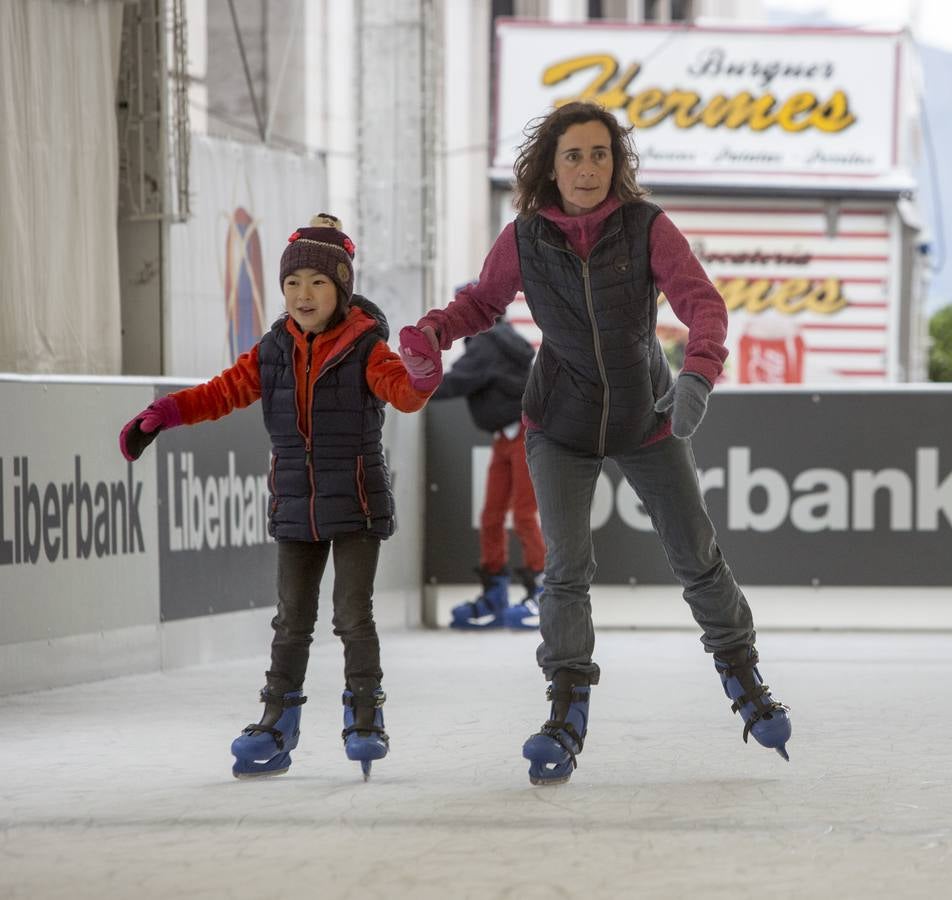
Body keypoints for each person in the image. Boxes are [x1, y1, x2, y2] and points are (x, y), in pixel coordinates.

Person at [400, 101, 792, 785]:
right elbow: (482, 304)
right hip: (560, 421)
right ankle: (565, 706)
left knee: (695, 553)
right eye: (574, 155)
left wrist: (698, 373)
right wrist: (434, 330)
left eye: (600, 154)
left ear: (618, 163)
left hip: (649, 415)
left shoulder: (646, 226)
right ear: (550, 166)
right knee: (565, 570)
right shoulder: (525, 236)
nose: (587, 168)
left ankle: (743, 675)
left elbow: (702, 302)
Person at [118, 214, 438, 779]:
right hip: (295, 503)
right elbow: (222, 391)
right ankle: (277, 719)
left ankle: (365, 717)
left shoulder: (367, 346)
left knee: (351, 616)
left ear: (341, 288)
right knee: (291, 619)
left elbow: (405, 395)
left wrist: (420, 373)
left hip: (359, 503)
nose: (302, 294)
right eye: (293, 283)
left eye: (317, 282)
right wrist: (162, 414)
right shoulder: (272, 351)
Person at [433, 313, 545, 630]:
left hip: (523, 435)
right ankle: (496, 593)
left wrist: (409, 385)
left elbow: (453, 382)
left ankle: (545, 591)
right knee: (492, 515)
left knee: (522, 513)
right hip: (505, 435)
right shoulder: (504, 339)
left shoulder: (485, 343)